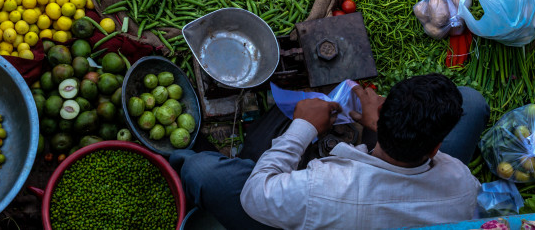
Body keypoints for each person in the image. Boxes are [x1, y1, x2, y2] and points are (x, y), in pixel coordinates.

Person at [171, 74, 488, 229]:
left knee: (203, 172)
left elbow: (255, 195)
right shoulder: (461, 185)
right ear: (436, 147)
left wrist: (303, 126)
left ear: (381, 118)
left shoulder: (320, 189)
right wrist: (377, 129)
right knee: (471, 102)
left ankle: (178, 160)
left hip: (337, 209)